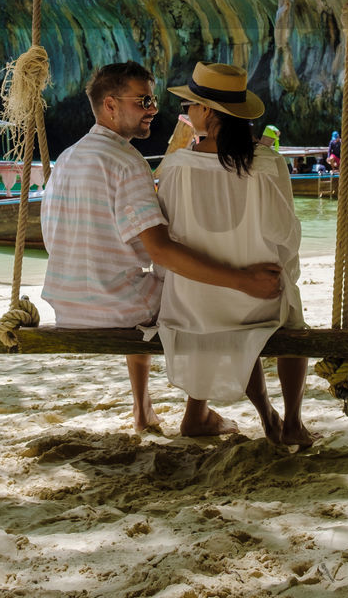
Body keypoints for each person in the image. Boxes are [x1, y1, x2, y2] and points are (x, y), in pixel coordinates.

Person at [41, 61, 282, 434]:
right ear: (110, 105)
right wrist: (241, 279)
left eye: (152, 100)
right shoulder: (126, 162)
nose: (153, 109)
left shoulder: (67, 159)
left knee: (146, 280)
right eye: (144, 100)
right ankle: (202, 415)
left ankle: (143, 410)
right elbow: (162, 252)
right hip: (116, 307)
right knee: (203, 294)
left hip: (66, 302)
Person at [156, 62, 314, 446]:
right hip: (256, 305)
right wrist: (280, 278)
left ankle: (264, 414)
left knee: (235, 313)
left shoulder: (176, 166)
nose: (187, 111)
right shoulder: (268, 164)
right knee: (292, 318)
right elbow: (286, 238)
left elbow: (167, 233)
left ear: (207, 112)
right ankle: (292, 420)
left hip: (192, 308)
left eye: (192, 104)